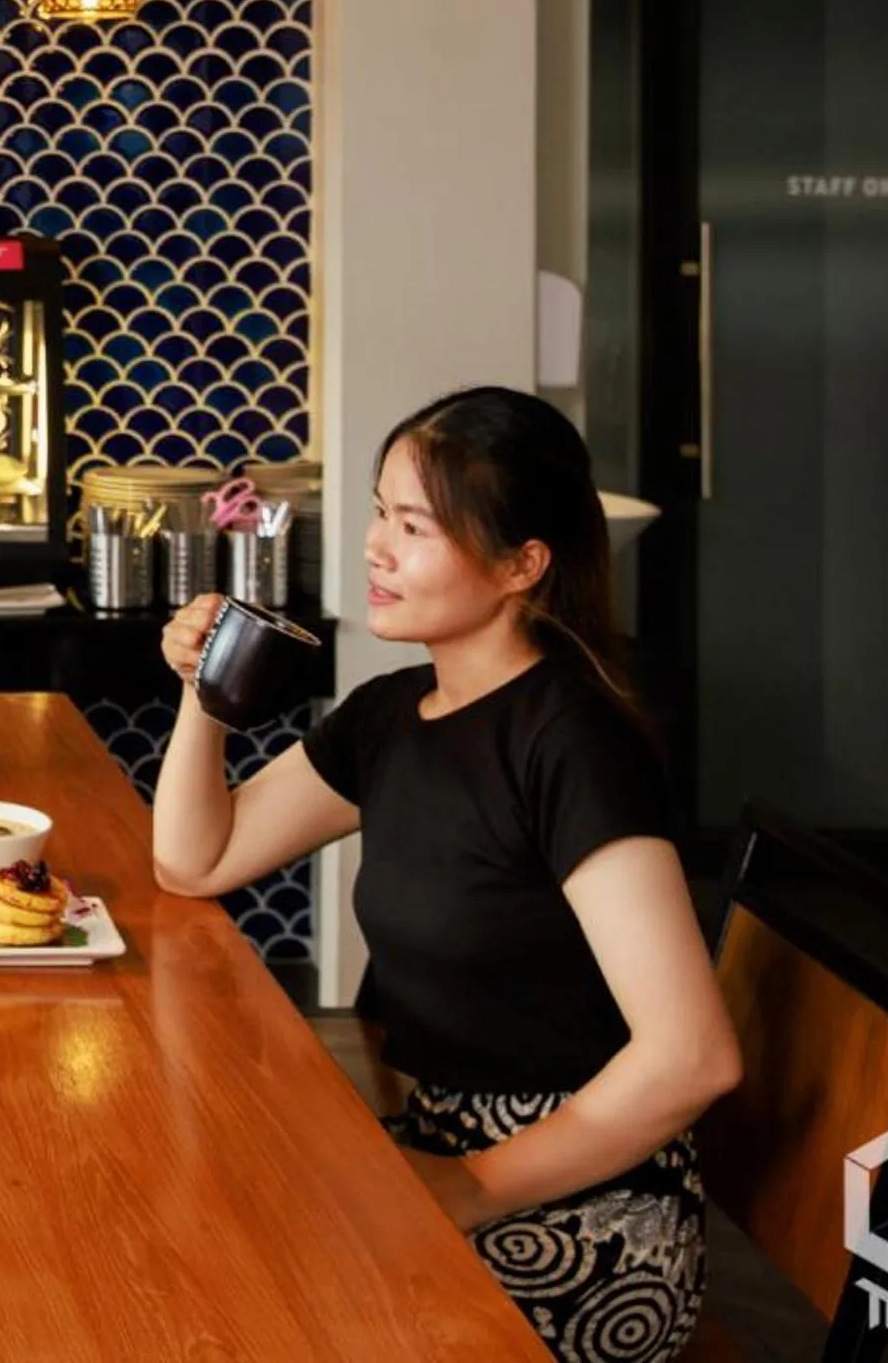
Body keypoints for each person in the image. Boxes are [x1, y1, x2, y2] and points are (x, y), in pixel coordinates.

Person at [151, 387, 741, 1363]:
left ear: (523, 565)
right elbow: (195, 861)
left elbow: (693, 1058)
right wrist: (204, 694)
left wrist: (470, 1187)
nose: (376, 546)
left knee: (230, 1308)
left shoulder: (570, 742)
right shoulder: (396, 714)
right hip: (442, 1146)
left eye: (414, 526)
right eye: (381, 511)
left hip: (585, 1213)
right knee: (187, 1238)